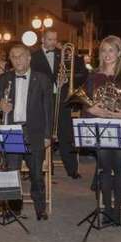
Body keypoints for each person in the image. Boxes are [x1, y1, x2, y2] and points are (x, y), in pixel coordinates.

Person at [82, 36, 121, 225]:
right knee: (105, 169)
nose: (107, 54)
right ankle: (107, 209)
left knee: (120, 168)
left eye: (111, 50)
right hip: (101, 125)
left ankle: (117, 211)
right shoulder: (94, 76)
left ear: (119, 53)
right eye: (104, 51)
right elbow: (85, 102)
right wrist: (92, 109)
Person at [0, 44, 53, 220]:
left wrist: (47, 135)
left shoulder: (42, 79)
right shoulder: (4, 78)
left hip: (34, 132)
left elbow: (48, 110)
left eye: (21, 56)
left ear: (29, 58)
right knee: (12, 172)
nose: (17, 59)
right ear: (10, 60)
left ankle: (40, 208)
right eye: (13, 56)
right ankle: (14, 209)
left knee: (36, 173)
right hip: (12, 130)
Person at [30, 29, 88, 179]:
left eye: (55, 39)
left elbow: (80, 73)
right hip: (42, 100)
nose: (53, 42)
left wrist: (68, 79)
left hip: (62, 98)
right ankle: (45, 168)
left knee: (66, 134)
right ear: (42, 40)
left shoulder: (62, 54)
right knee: (44, 134)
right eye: (49, 39)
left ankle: (72, 169)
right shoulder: (33, 57)